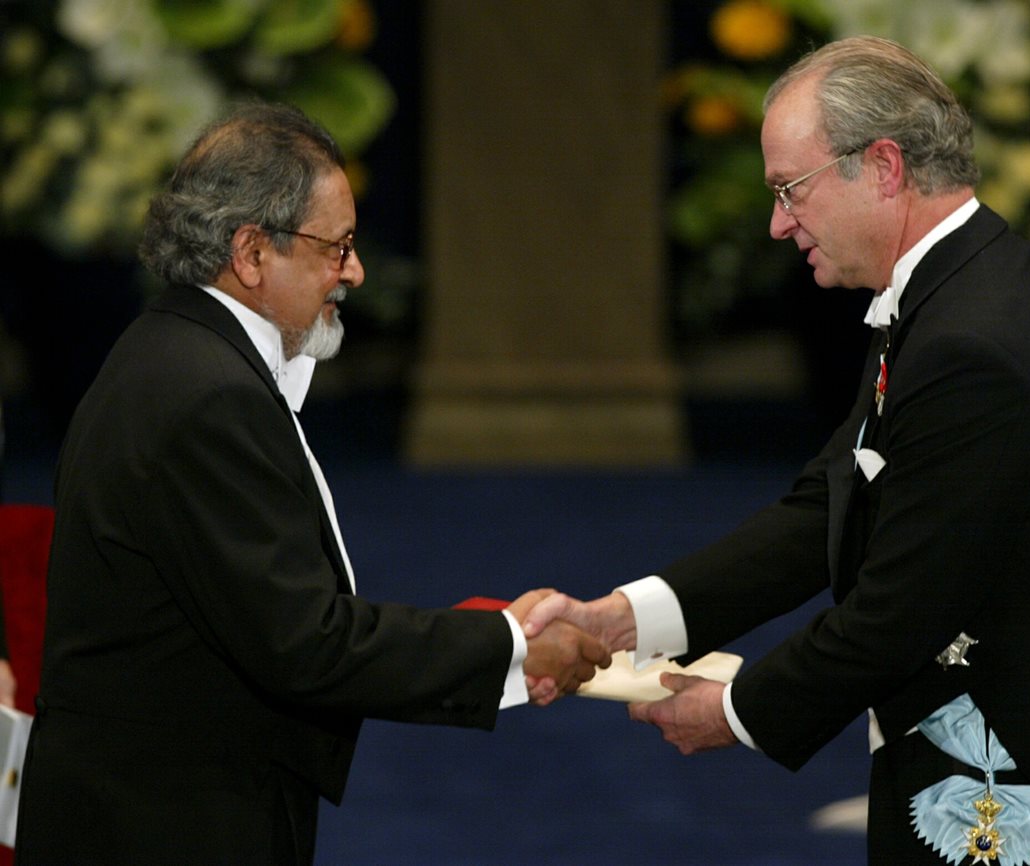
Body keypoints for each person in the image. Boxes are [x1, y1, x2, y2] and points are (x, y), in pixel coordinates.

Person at [526, 36, 1030, 865]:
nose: (777, 222)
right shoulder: (943, 292)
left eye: (791, 189)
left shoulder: (974, 343)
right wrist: (623, 619)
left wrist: (737, 711)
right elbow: (831, 501)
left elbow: (898, 613)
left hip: (1021, 808)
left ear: (885, 167)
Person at [14, 101, 608, 865]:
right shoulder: (206, 394)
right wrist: (509, 648)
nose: (354, 272)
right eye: (339, 247)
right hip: (166, 829)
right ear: (252, 252)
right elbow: (306, 644)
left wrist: (500, 642)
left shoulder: (174, 353)